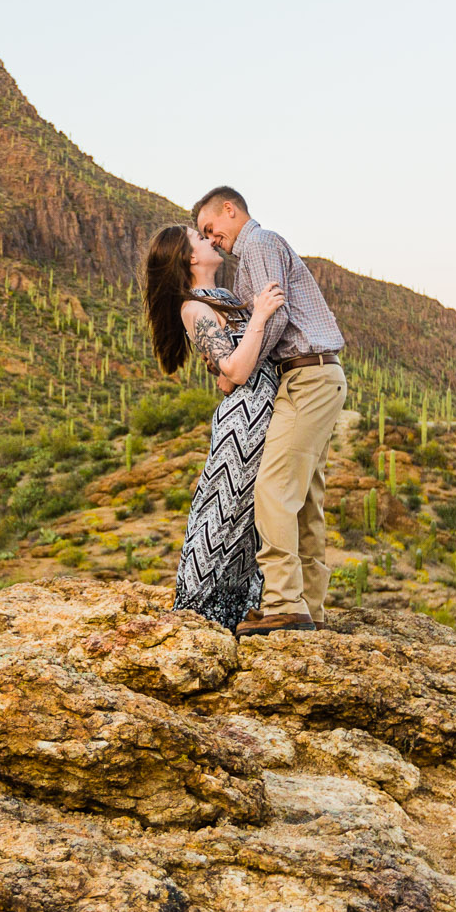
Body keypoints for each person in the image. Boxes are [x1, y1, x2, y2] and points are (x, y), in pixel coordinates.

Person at [192, 186, 347, 635]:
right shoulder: (261, 249)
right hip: (320, 375)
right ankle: (309, 606)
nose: (212, 237)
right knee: (304, 501)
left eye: (211, 228)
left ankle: (282, 602)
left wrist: (236, 371)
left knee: (274, 490)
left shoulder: (257, 244)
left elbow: (274, 318)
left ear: (230, 209)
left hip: (304, 376)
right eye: (204, 235)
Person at [141, 225, 287, 633]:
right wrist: (259, 314)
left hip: (263, 412)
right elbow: (237, 369)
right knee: (223, 516)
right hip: (244, 422)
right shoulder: (194, 308)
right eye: (200, 239)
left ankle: (240, 614)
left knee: (251, 518)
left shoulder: (223, 297)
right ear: (190, 259)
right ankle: (200, 616)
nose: (211, 241)